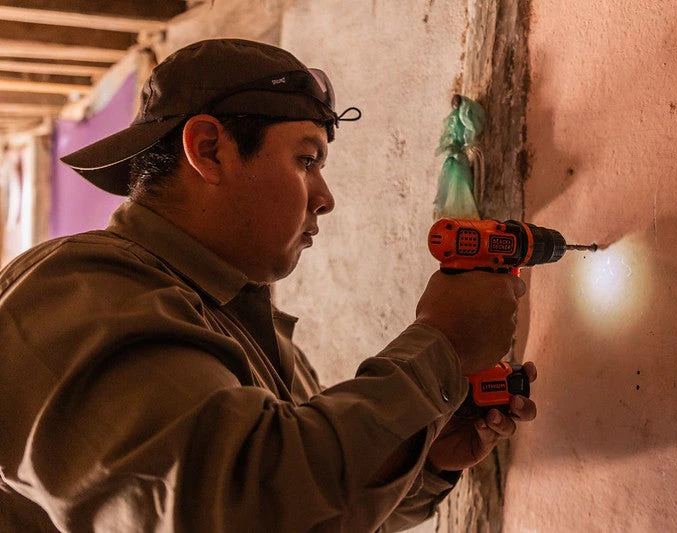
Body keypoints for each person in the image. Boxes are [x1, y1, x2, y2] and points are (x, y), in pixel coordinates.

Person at [0, 39, 535, 532]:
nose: (325, 197)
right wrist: (440, 348)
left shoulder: (244, 326)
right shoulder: (79, 294)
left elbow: (310, 512)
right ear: (209, 150)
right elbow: (240, 511)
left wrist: (426, 455)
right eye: (306, 160)